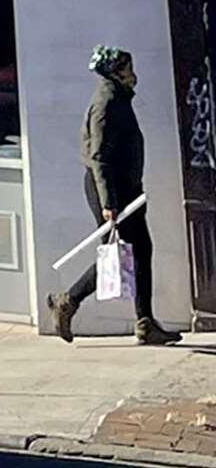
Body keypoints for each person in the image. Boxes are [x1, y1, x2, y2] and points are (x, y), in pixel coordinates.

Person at [51, 45, 179, 344]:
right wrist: (109, 202)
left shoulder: (118, 97)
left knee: (139, 250)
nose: (133, 74)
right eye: (128, 68)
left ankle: (145, 322)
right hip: (111, 189)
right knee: (120, 255)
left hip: (125, 188)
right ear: (115, 72)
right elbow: (98, 158)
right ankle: (68, 301)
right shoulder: (107, 103)